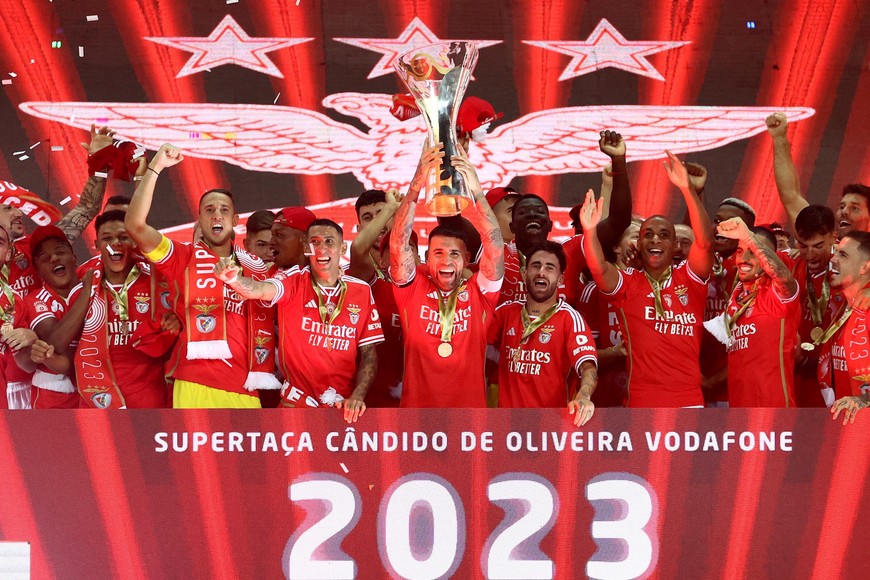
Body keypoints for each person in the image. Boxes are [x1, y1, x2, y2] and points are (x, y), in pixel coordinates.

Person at [126, 144, 276, 408]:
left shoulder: (257, 267)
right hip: (195, 382)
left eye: (223, 210)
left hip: (245, 385)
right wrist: (156, 167)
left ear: (235, 220)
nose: (216, 214)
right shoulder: (181, 257)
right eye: (209, 210)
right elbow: (136, 226)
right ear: (200, 220)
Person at [214, 219, 383, 422]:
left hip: (342, 409)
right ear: (306, 248)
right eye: (315, 242)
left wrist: (358, 395)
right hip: (296, 407)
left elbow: (369, 354)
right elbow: (259, 290)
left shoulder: (361, 290)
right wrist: (234, 280)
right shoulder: (293, 280)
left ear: (342, 247)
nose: (321, 249)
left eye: (329, 241)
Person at [580, 151, 714, 408]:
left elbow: (705, 241)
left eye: (664, 235)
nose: (655, 239)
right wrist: (589, 232)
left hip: (690, 404)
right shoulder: (628, 282)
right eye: (648, 234)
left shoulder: (691, 278)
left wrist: (687, 190)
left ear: (675, 245)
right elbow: (598, 269)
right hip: (642, 405)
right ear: (638, 244)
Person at [390, 142, 504, 407]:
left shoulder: (481, 292)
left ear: (466, 260)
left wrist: (476, 189)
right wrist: (417, 183)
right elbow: (398, 244)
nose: (446, 260)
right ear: (426, 257)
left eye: (454, 254)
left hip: (469, 421)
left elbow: (495, 245)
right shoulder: (412, 288)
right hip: (417, 419)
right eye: (438, 252)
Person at [33, 211, 177, 408]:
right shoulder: (81, 290)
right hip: (98, 405)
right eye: (107, 238)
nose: (115, 243)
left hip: (149, 403)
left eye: (123, 237)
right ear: (96, 244)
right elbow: (62, 350)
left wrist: (175, 325)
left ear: (134, 242)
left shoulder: (157, 285)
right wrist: (87, 291)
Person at [501, 131, 633, 305]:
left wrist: (618, 162)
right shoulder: (497, 255)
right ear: (512, 227)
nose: (532, 214)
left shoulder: (570, 252)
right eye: (523, 212)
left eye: (540, 212)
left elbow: (619, 221)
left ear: (550, 226)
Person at [488, 241, 598, 425]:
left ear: (561, 279)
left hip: (551, 428)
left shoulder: (569, 318)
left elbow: (588, 367)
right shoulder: (505, 313)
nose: (541, 272)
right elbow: (475, 347)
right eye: (536, 266)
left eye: (549, 268)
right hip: (508, 428)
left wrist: (584, 396)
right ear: (524, 274)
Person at [715, 219, 800, 407]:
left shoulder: (778, 293)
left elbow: (782, 275)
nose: (744, 258)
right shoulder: (735, 297)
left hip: (774, 412)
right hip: (738, 411)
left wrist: (748, 236)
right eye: (739, 251)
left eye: (753, 252)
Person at [767, 112, 870, 238]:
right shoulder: (824, 247)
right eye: (842, 207)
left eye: (854, 208)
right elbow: (791, 196)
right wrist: (779, 138)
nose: (844, 212)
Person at [19, 226, 82, 408]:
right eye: (45, 259)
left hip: (95, 391)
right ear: (39, 272)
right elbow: (55, 341)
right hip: (53, 397)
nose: (54, 258)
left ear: (74, 258)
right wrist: (86, 292)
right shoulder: (34, 300)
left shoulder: (96, 288)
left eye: (60, 252)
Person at [790, 205, 842, 407]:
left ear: (833, 237)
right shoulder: (791, 266)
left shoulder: (849, 268)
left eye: (818, 246)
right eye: (803, 245)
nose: (810, 254)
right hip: (797, 375)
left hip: (836, 379)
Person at [817, 231, 870, 424]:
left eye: (843, 255)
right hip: (849, 430)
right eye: (835, 252)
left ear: (865, 266)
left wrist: (864, 399)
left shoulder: (867, 309)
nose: (833, 259)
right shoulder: (844, 310)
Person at [269, 207, 317, 272]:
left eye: (280, 235)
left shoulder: (327, 277)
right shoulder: (266, 273)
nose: (271, 242)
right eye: (272, 234)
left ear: (305, 239)